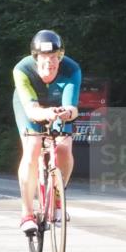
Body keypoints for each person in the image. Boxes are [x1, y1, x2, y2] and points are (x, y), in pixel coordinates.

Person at [13, 30, 81, 236]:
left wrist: (67, 113)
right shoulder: (22, 70)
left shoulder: (71, 69)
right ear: (36, 57)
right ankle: (27, 213)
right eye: (44, 57)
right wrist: (45, 113)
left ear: (61, 57)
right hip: (31, 107)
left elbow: (72, 108)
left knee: (64, 147)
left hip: (58, 107)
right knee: (33, 147)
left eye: (54, 57)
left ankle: (58, 200)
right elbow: (32, 111)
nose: (50, 62)